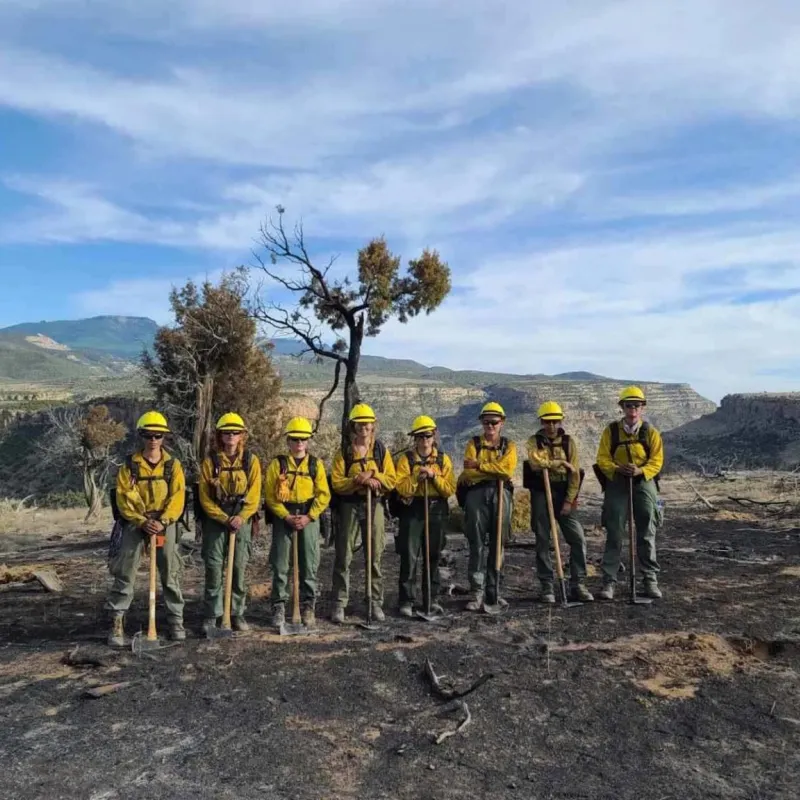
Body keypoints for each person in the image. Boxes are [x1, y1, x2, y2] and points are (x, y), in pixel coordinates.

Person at [106, 411, 186, 647]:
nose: (153, 440)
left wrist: (163, 521)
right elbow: (122, 499)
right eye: (148, 435)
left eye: (158, 435)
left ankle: (176, 621)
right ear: (141, 436)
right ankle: (118, 622)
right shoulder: (129, 466)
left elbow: (178, 498)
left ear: (164, 437)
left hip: (165, 524)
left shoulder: (173, 466)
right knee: (125, 573)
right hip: (135, 524)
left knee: (170, 573)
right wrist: (141, 521)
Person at [594, 386, 664, 600]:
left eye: (636, 405)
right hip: (617, 483)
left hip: (643, 481)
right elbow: (602, 458)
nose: (632, 409)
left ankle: (650, 580)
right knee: (614, 532)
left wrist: (641, 470)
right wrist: (616, 468)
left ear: (642, 408)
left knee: (646, 532)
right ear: (622, 407)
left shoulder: (650, 432)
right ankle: (609, 582)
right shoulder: (611, 431)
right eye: (628, 405)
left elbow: (657, 460)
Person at [330, 403, 396, 624]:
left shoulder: (380, 451)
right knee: (344, 555)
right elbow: (337, 483)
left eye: (367, 423)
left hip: (374, 505)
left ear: (373, 425)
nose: (364, 427)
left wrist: (373, 474)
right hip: (349, 505)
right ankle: (339, 603)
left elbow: (391, 480)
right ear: (353, 426)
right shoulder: (345, 453)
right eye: (359, 424)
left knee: (374, 555)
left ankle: (374, 601)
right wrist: (356, 481)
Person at [197, 413, 262, 636]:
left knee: (238, 567)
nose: (231, 436)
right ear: (220, 435)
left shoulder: (250, 461)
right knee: (214, 566)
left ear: (242, 435)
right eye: (227, 432)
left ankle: (236, 612)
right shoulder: (211, 462)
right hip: (217, 520)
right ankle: (212, 614)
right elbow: (204, 497)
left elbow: (254, 493)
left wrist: (242, 516)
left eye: (235, 432)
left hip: (241, 520)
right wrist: (224, 518)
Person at [264, 416, 331, 628]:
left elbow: (324, 494)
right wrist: (285, 516)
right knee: (281, 564)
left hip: (308, 517)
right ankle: (279, 606)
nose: (299, 442)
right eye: (294, 439)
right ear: (288, 441)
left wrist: (309, 516)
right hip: (284, 517)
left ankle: (308, 605)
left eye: (303, 439)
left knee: (309, 564)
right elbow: (270, 496)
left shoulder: (315, 465)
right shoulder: (278, 465)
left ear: (308, 440)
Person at [525, 401, 593, 603]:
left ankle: (577, 583)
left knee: (578, 538)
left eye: (555, 421)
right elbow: (536, 464)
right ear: (542, 422)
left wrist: (569, 500)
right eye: (547, 421)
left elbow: (574, 473)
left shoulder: (568, 442)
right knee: (543, 540)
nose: (551, 426)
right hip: (541, 493)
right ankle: (547, 586)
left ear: (560, 421)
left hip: (564, 492)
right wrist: (559, 463)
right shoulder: (533, 441)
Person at [457, 401, 517, 611]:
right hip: (476, 495)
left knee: (498, 543)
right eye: (486, 422)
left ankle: (494, 591)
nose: (490, 426)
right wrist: (493, 469)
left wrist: (481, 466)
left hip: (501, 494)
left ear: (502, 422)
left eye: (494, 422)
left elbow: (506, 471)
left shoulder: (508, 445)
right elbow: (468, 472)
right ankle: (476, 592)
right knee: (477, 543)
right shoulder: (473, 444)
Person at [394, 415, 456, 617]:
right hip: (413, 509)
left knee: (433, 556)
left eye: (427, 436)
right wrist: (415, 477)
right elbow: (401, 488)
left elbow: (449, 489)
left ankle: (432, 598)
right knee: (409, 555)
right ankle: (406, 600)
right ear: (414, 438)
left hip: (436, 508)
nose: (424, 440)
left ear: (434, 435)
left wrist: (433, 476)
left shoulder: (443, 460)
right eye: (420, 436)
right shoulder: (406, 460)